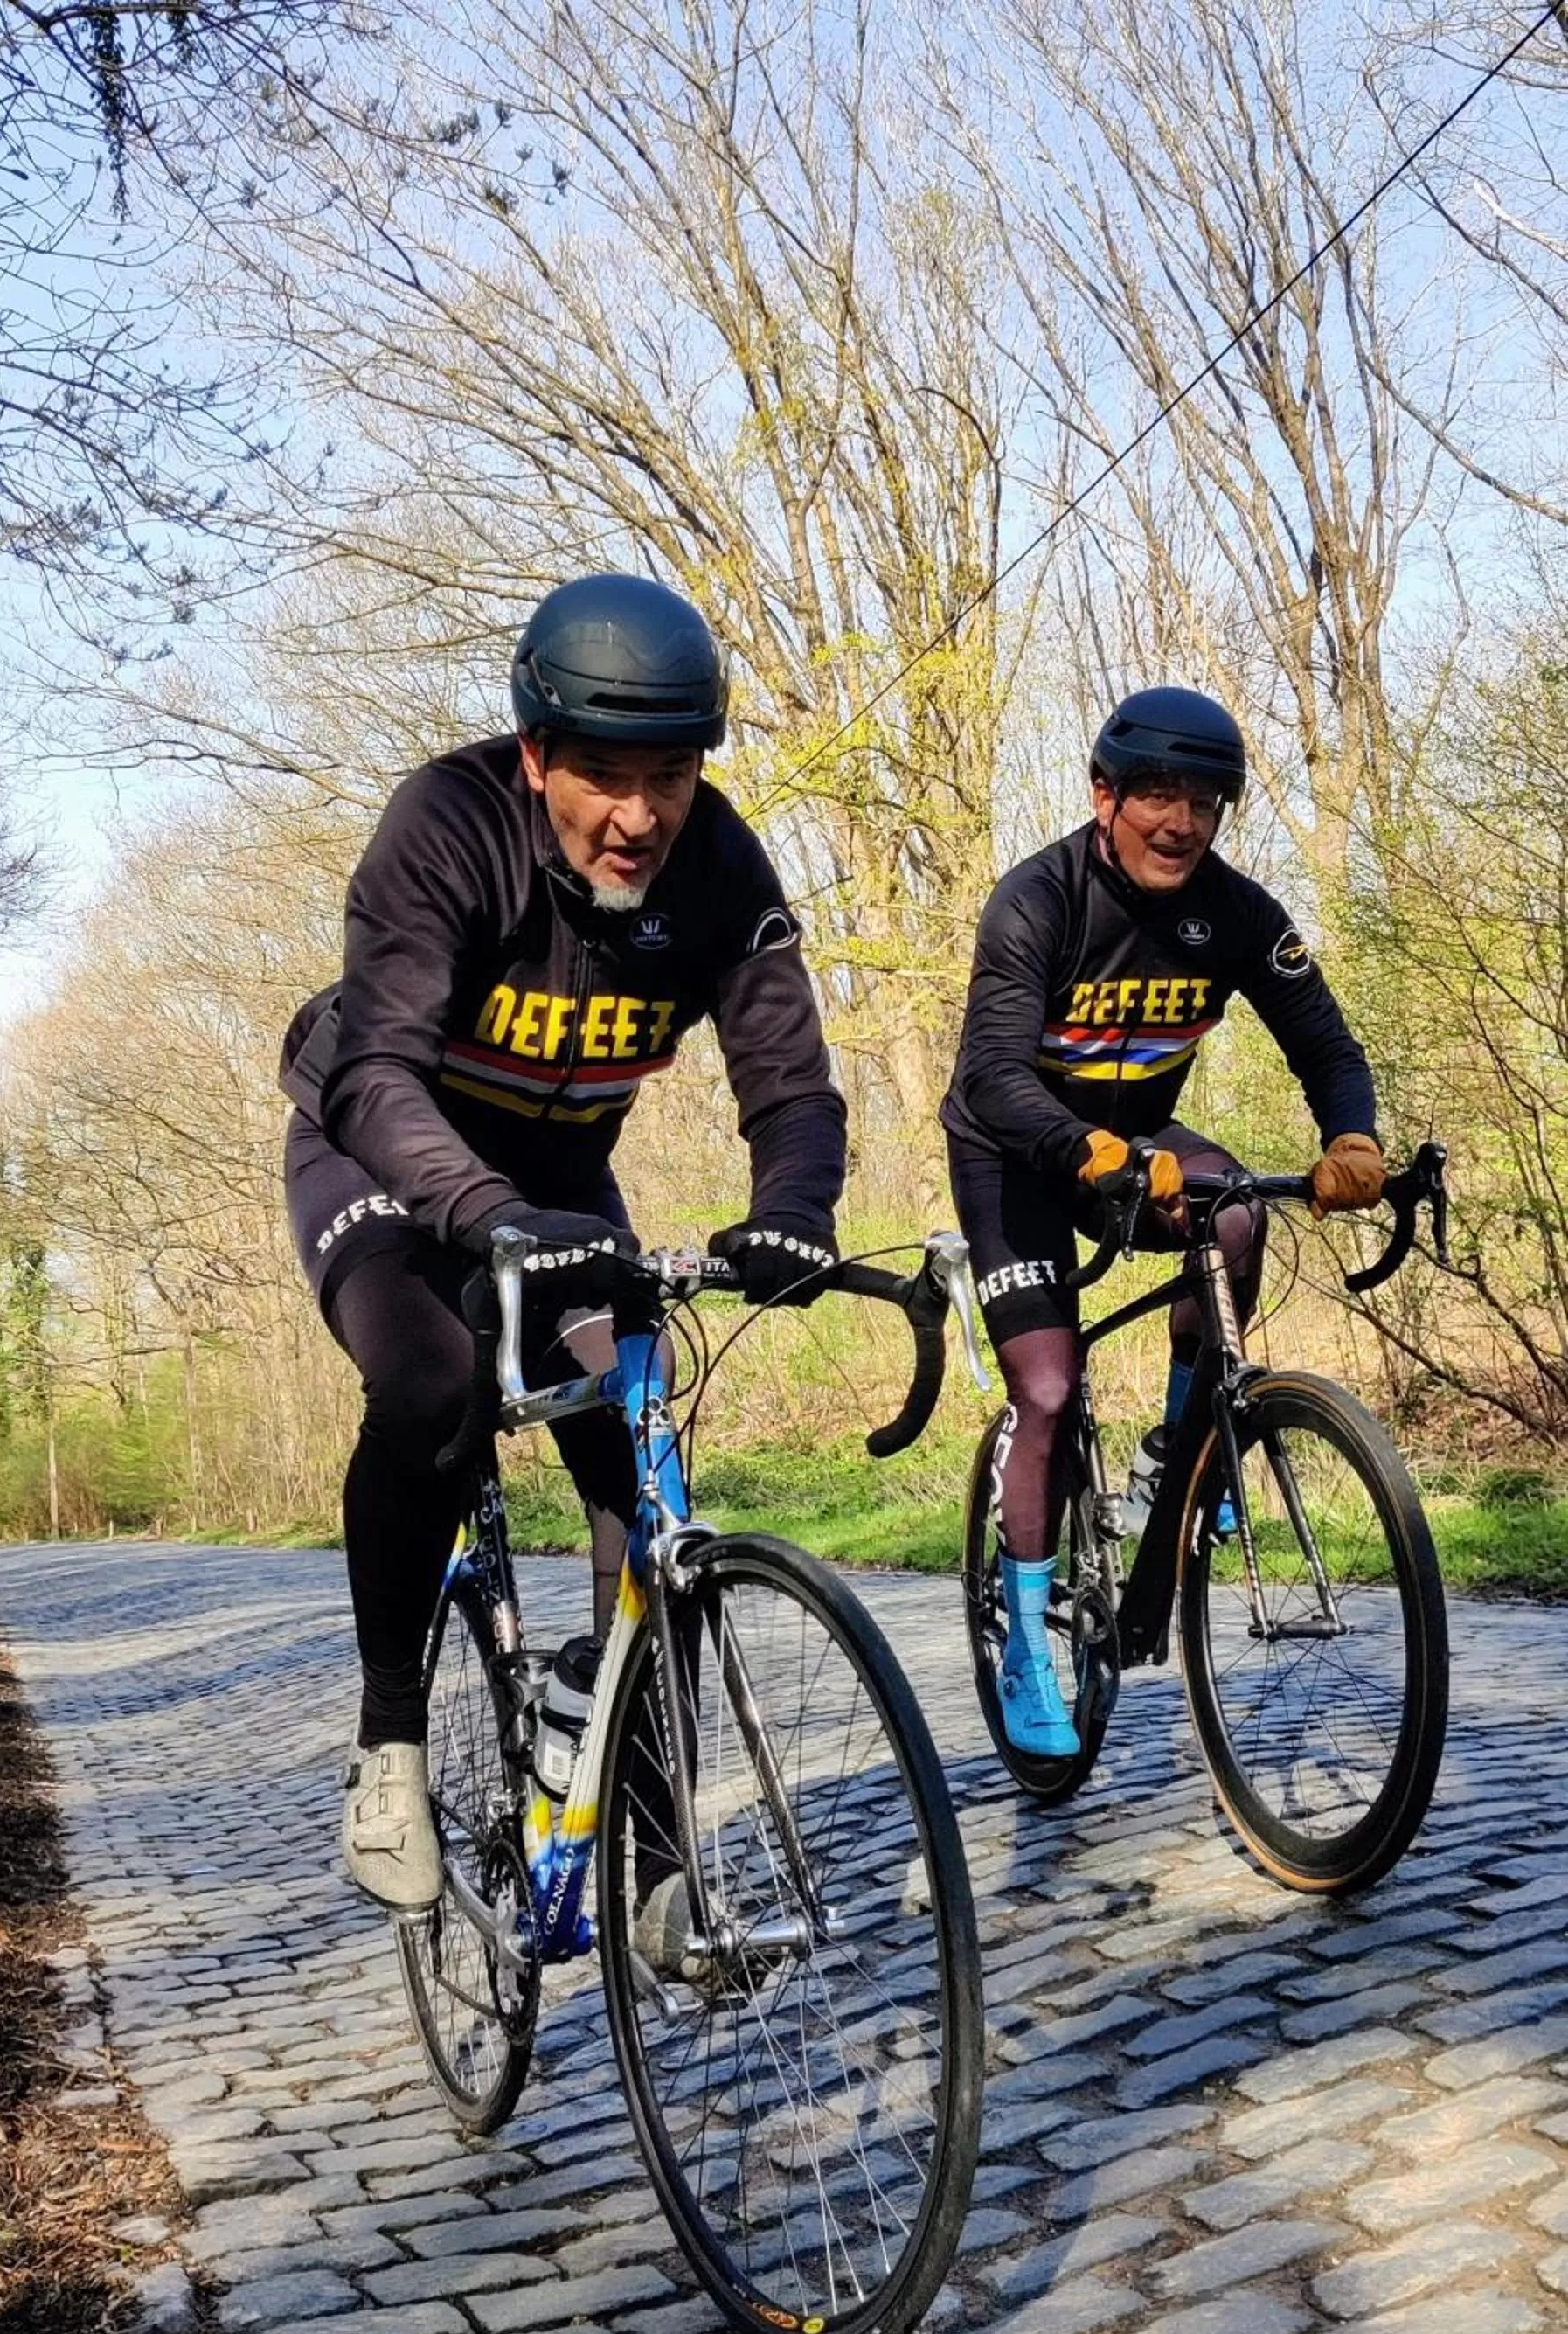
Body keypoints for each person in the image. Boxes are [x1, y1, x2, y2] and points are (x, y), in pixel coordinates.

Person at [281, 573, 847, 1909]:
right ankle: (390, 1746)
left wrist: (795, 1213)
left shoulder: (717, 862)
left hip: (557, 1170)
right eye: (601, 775)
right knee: (433, 1385)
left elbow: (791, 1082)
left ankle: (652, 1858)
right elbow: (377, 1074)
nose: (637, 815)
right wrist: (483, 1216)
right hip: (378, 1144)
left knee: (636, 1445)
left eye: (670, 776)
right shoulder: (447, 825)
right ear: (536, 755)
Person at [940, 685, 1383, 1761]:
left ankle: (1182, 1454)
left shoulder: (1235, 912)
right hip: (1018, 1158)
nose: (1181, 821)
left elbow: (1326, 1044)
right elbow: (994, 1076)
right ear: (1105, 795)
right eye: (1157, 796)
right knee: (1045, 1387)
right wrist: (1087, 1148)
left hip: (1135, 1147)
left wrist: (1353, 1140)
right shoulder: (1035, 902)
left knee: (1232, 1213)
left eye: (1206, 800)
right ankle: (1029, 1647)